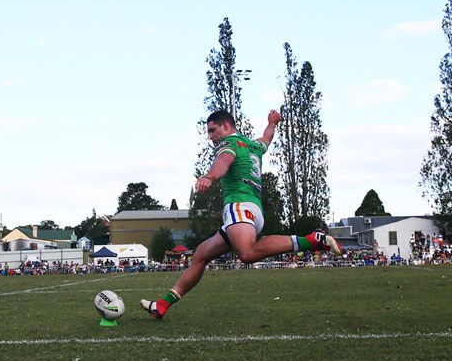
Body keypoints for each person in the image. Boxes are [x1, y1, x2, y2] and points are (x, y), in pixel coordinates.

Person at [141, 108, 341, 320]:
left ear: (226, 126)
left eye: (212, 130)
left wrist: (209, 177)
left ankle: (313, 241)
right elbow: (267, 138)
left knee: (246, 254)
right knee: (201, 254)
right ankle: (162, 305)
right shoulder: (253, 145)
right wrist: (272, 123)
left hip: (239, 207)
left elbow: (223, 162)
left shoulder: (229, 144)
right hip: (252, 211)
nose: (210, 137)